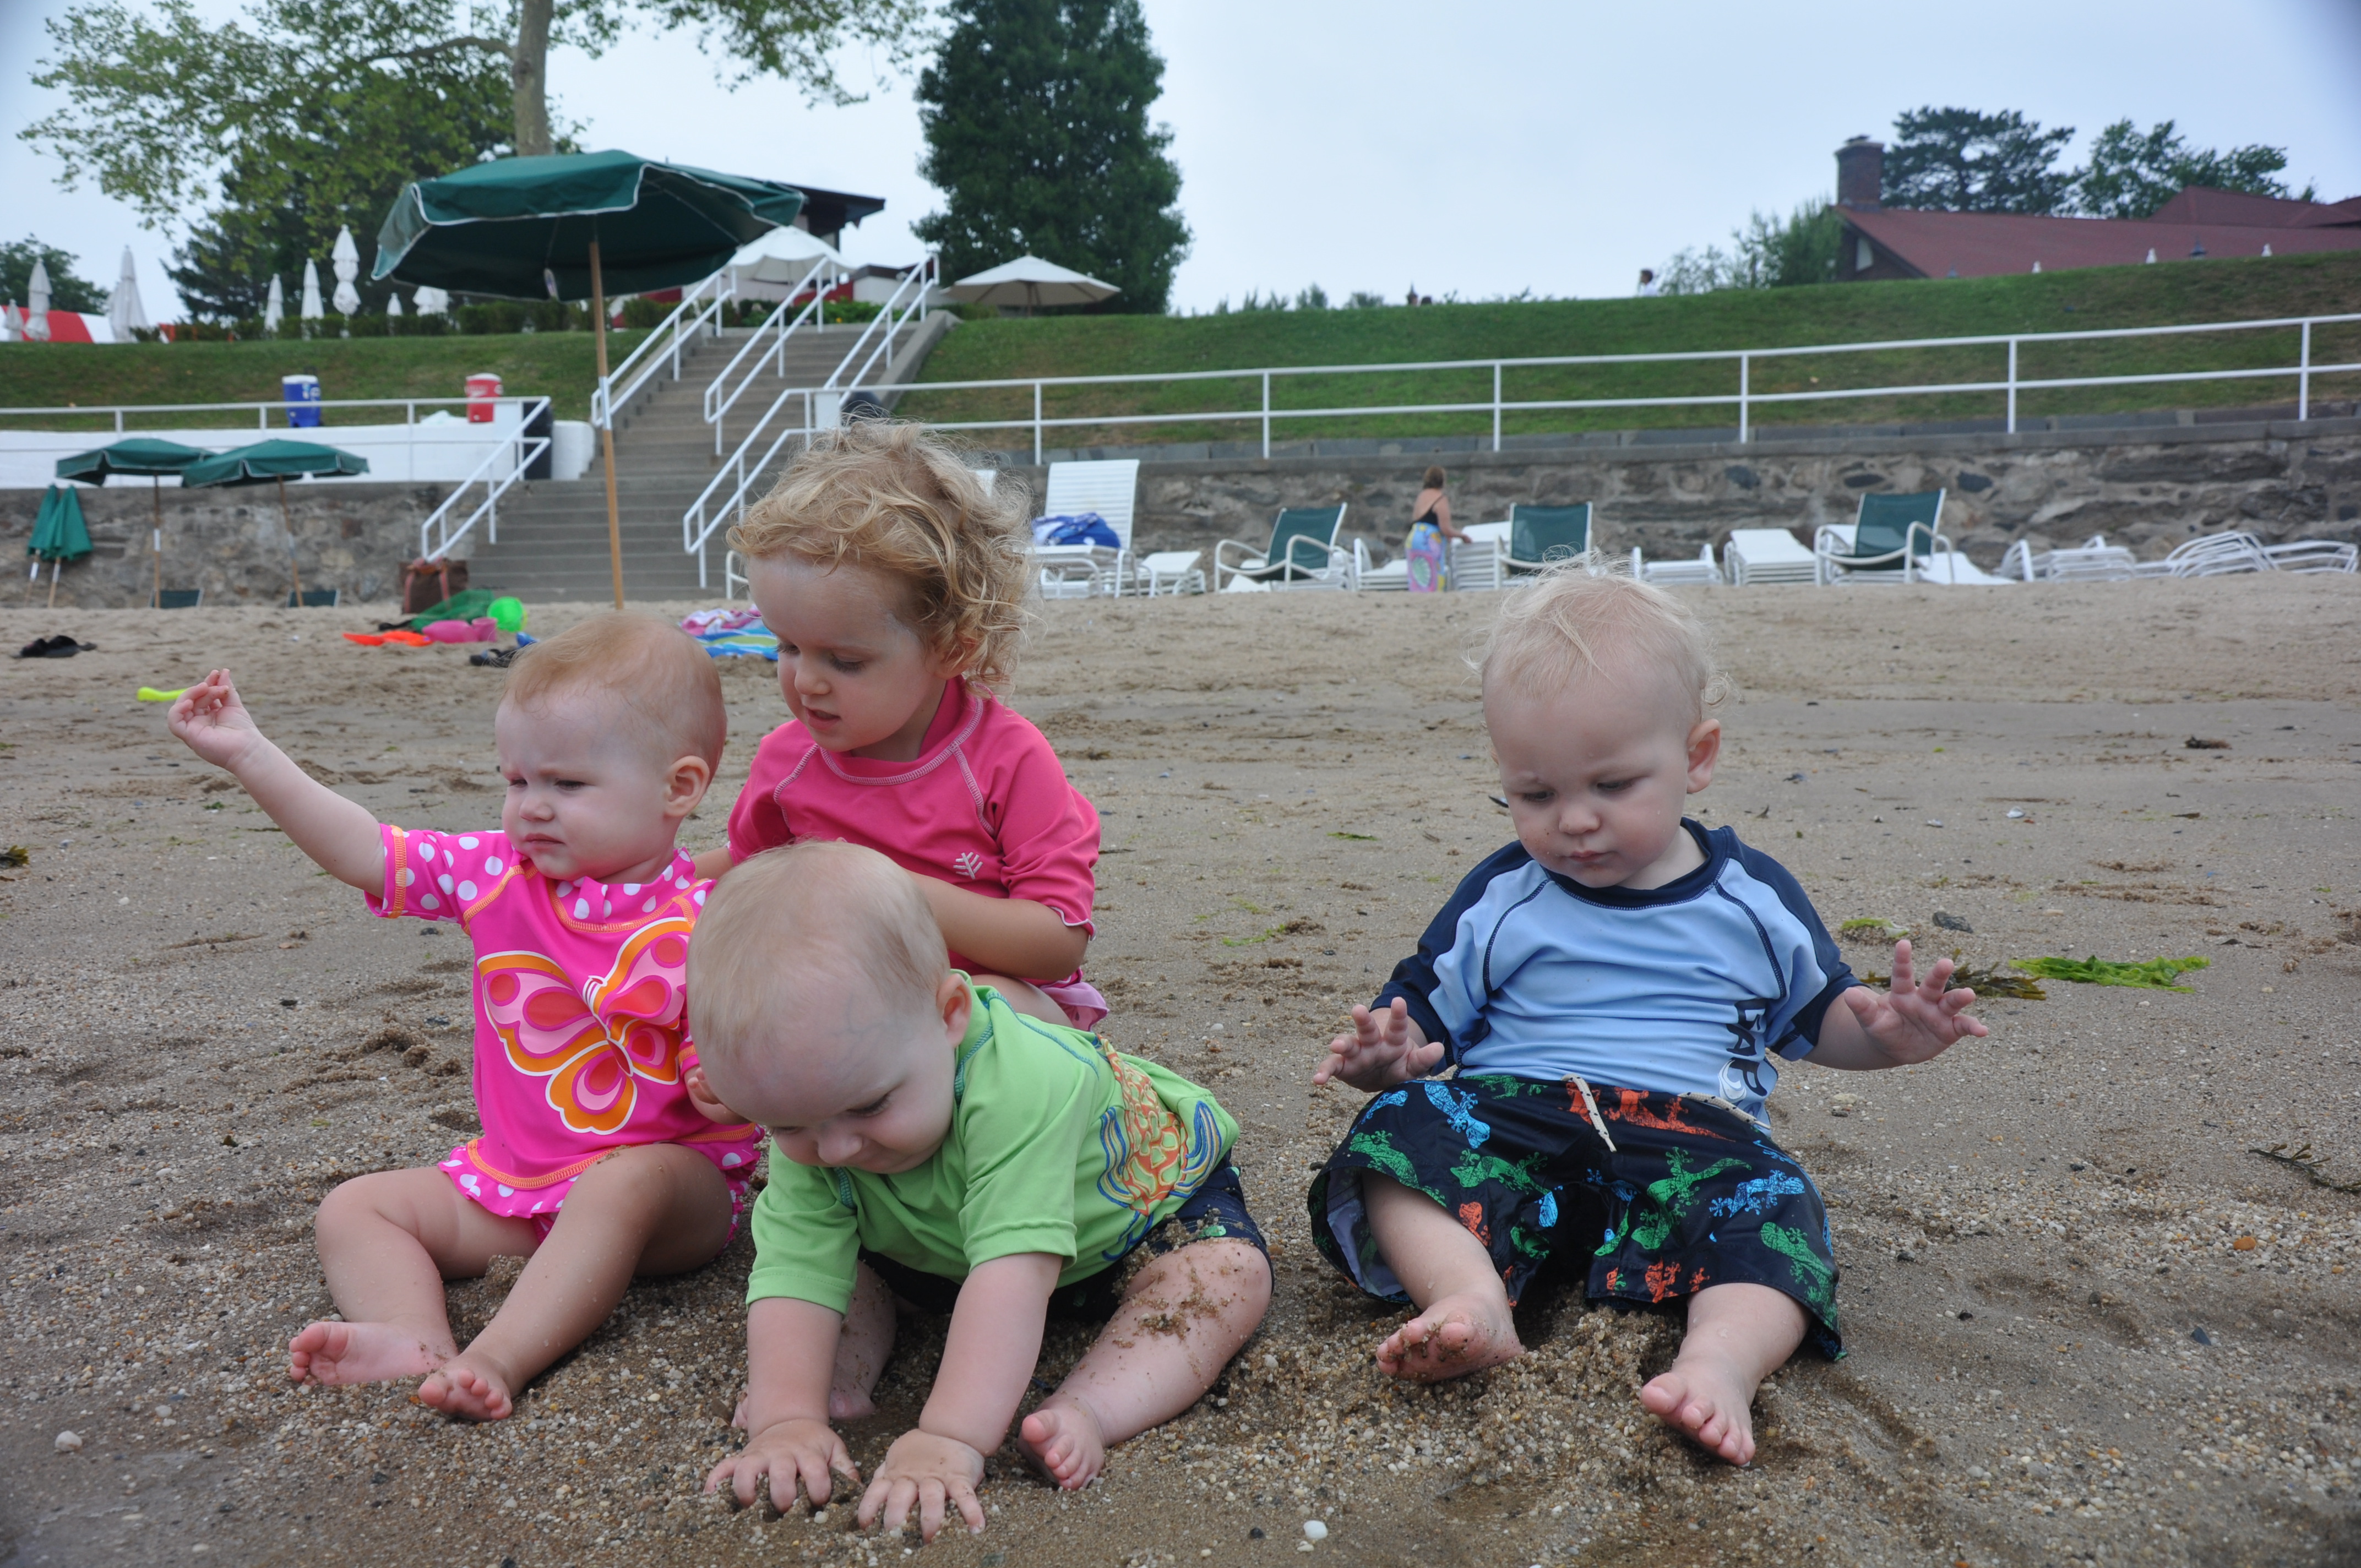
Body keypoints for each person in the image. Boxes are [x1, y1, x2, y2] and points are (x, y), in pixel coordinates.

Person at [1305, 560, 1985, 1466]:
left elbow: (1820, 1017)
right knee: (1396, 1131)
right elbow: (1423, 1008)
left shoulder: (1749, 901)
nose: (1573, 821)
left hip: (1695, 1135)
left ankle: (1718, 1362)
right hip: (1519, 1116)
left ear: (1696, 758)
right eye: (1535, 794)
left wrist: (1889, 1039)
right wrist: (1390, 1057)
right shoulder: (1504, 895)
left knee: (1778, 1206)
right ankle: (1469, 1296)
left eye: (1612, 785)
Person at [166, 616, 761, 1420]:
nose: (532, 808)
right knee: (356, 1208)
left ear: (678, 788)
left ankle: (499, 1358)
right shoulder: (496, 876)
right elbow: (364, 851)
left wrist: (723, 1075)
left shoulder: (711, 921)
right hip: (521, 1189)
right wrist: (249, 754)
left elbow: (748, 1072)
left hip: (674, 1197)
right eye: (516, 781)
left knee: (622, 1182)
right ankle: (414, 1339)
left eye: (567, 785)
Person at [693, 843, 1271, 1540]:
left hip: (1131, 1222)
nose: (836, 1148)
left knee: (1223, 1278)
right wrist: (786, 1416)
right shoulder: (822, 1107)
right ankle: (834, 1385)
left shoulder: (1026, 1084)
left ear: (949, 1015)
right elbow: (795, 1265)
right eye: (787, 1125)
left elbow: (1012, 1272)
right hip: (940, 1250)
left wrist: (950, 1435)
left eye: (870, 1105)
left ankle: (1090, 1406)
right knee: (847, 1282)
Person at [694, 420, 1105, 1031]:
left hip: (990, 1010)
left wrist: (888, 889)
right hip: (850, 1010)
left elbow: (1056, 943)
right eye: (787, 647)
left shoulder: (1006, 759)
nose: (806, 682)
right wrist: (636, 878)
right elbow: (747, 869)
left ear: (952, 648)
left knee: (996, 1003)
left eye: (845, 661)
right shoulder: (788, 761)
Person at [1403, 464, 1464, 593]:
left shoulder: (1421, 496)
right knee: (1433, 579)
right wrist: (1463, 536)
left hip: (1414, 537)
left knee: (1419, 578)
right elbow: (1446, 528)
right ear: (1443, 481)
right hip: (1429, 540)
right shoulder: (1440, 499)